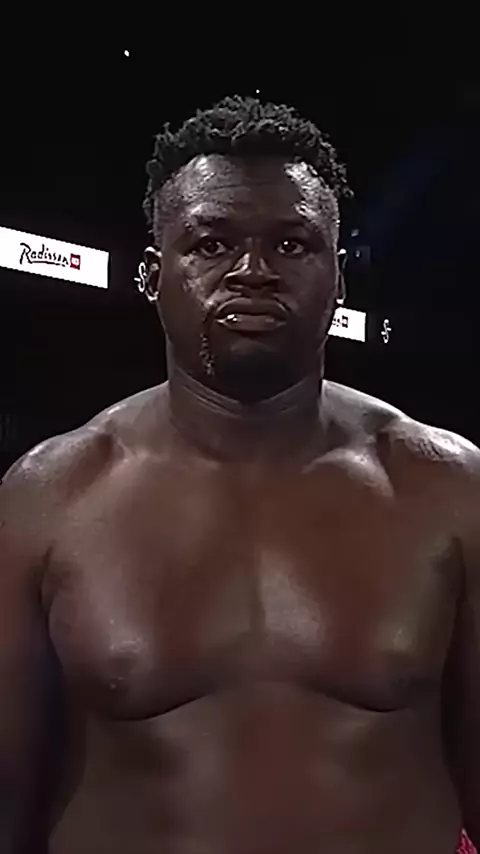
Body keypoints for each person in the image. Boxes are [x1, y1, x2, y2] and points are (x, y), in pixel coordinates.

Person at [0, 96, 479, 854]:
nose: (252, 272)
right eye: (212, 243)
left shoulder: (450, 488)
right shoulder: (49, 494)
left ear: (339, 277)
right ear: (153, 275)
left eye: (291, 244)